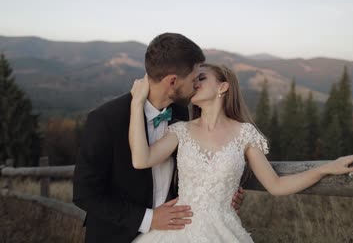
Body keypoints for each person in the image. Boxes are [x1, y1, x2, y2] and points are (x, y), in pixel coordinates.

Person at [129, 63, 353, 242]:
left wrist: (326, 168)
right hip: (176, 231)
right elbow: (141, 160)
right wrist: (137, 103)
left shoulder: (245, 134)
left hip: (223, 232)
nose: (195, 83)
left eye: (202, 78)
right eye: (194, 79)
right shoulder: (180, 130)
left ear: (222, 87)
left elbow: (276, 185)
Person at [72, 33, 244, 243]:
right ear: (172, 81)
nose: (196, 85)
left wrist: (222, 194)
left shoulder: (180, 114)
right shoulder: (105, 120)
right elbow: (85, 194)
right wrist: (149, 218)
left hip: (175, 235)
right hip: (117, 235)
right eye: (193, 79)